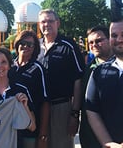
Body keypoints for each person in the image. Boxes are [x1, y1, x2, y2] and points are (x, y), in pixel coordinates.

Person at [86, 18, 123, 146]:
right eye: (114, 35)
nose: (119, 39)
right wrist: (108, 143)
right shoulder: (99, 71)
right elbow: (92, 110)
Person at [37, 9, 85, 148]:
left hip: (61, 107)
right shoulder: (35, 46)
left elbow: (78, 80)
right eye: (43, 22)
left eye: (50, 21)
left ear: (58, 23)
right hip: (39, 108)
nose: (47, 24)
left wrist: (74, 114)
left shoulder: (68, 46)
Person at [8, 30, 50, 148]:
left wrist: (43, 134)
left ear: (34, 48)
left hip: (29, 127)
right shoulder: (9, 67)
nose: (25, 46)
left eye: (30, 44)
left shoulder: (37, 69)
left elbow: (45, 102)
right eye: (23, 42)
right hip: (9, 126)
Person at [79, 26, 113, 148]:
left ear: (110, 39)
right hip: (89, 134)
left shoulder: (122, 67)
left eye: (99, 41)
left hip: (113, 134)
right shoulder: (89, 68)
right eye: (91, 42)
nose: (94, 45)